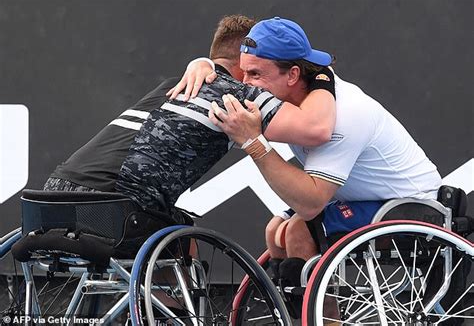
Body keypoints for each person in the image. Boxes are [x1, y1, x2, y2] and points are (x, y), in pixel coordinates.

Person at [174, 17, 442, 318]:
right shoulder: (291, 97)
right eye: (243, 71)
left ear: (293, 75)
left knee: (298, 230)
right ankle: (300, 315)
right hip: (358, 198)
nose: (244, 83)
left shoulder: (344, 115)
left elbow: (312, 203)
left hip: (412, 205)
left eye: (255, 74)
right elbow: (229, 48)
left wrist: (252, 142)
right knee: (275, 230)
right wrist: (202, 64)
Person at [44, 15, 336, 230]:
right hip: (111, 210)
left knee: (174, 228)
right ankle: (177, 313)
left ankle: (157, 309)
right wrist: (323, 76)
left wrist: (202, 62)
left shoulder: (174, 86)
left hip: (50, 200)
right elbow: (317, 129)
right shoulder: (238, 94)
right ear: (243, 61)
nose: (250, 82)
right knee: (182, 235)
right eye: (250, 72)